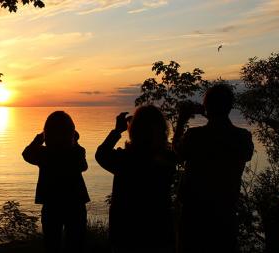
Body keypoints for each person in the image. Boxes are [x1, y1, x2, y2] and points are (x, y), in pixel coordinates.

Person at [173, 84, 254, 253]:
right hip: (225, 215)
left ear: (207, 106)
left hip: (194, 217)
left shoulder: (195, 136)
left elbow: (178, 153)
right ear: (230, 106)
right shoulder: (243, 138)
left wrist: (181, 120)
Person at [96, 105, 176, 253]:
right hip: (158, 231)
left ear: (133, 130)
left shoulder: (125, 160)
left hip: (126, 232)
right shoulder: (167, 159)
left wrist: (117, 131)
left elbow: (101, 155)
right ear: (162, 130)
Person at [22, 111, 89, 253]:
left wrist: (39, 139)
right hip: (75, 203)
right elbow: (83, 166)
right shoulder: (76, 151)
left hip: (51, 204)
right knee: (76, 244)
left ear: (47, 133)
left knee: (52, 245)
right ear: (71, 131)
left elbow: (26, 154)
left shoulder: (43, 153)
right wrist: (75, 141)